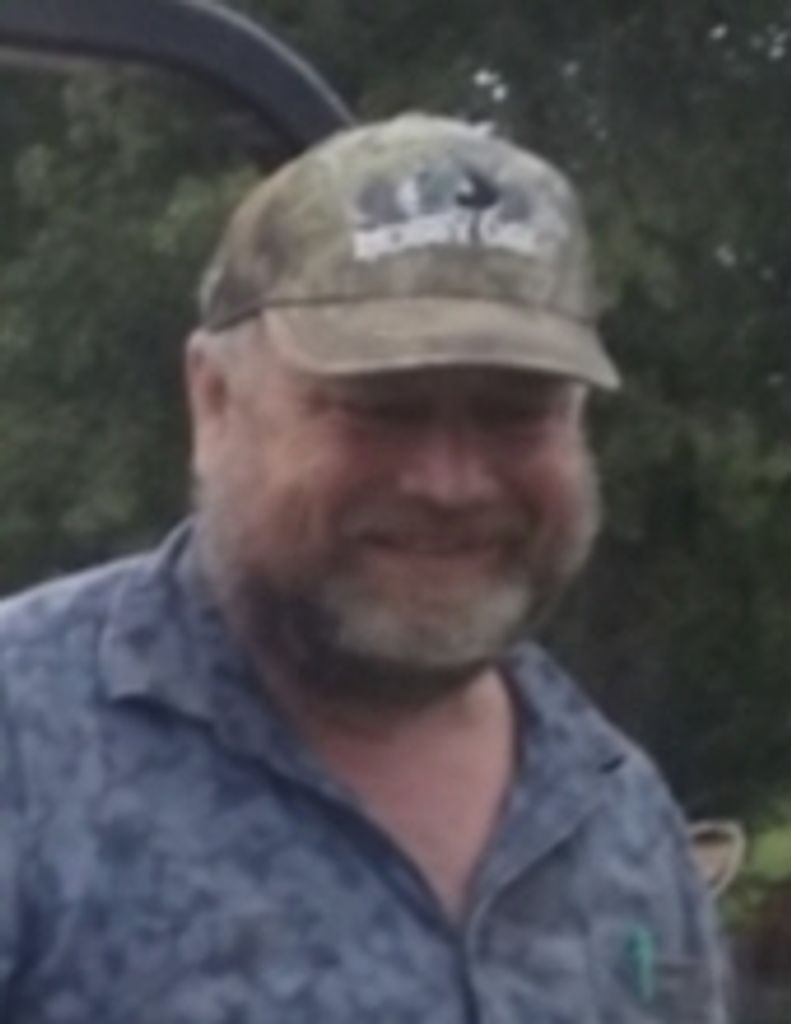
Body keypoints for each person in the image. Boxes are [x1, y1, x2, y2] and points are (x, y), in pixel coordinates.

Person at [0, 113, 728, 1022]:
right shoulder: (28, 747)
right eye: (381, 408)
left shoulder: (614, 810)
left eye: (515, 413)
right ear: (215, 401)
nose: (450, 483)